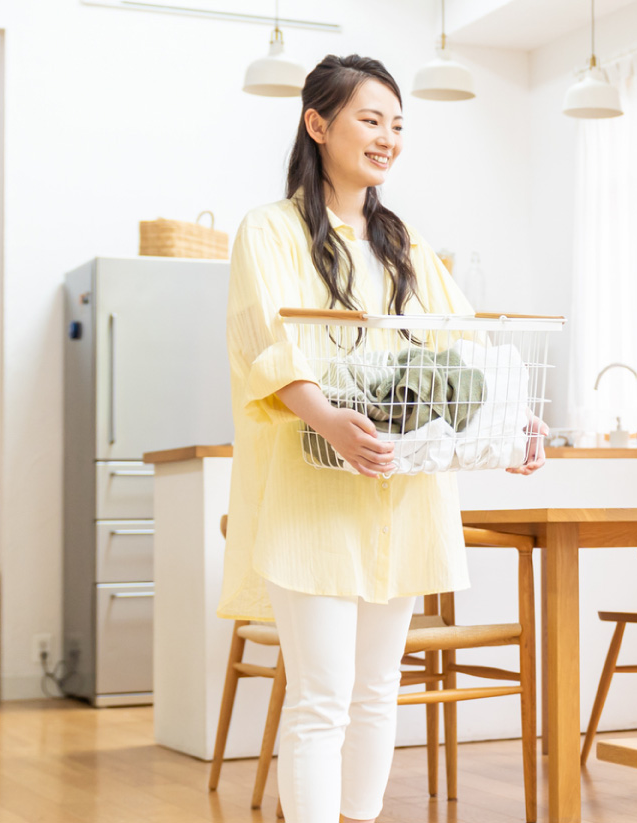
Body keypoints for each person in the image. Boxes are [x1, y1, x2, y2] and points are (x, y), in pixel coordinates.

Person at [219, 55, 545, 823]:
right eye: (371, 119)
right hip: (312, 490)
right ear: (317, 123)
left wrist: (515, 421)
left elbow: (462, 348)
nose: (388, 137)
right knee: (322, 696)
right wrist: (329, 417)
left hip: (402, 488)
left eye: (398, 124)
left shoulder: (405, 242)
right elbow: (263, 342)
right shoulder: (269, 230)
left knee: (376, 692)